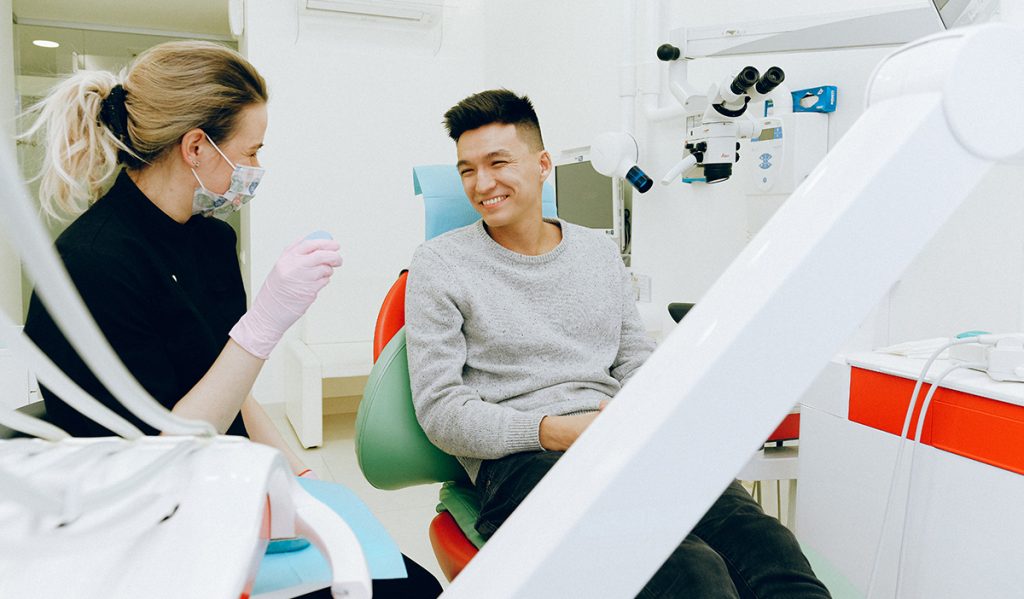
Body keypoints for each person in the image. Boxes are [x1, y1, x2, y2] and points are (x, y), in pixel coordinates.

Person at [21, 41, 441, 597]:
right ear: (196, 146)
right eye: (251, 151)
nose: (257, 169)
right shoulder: (93, 262)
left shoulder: (211, 238)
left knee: (413, 582)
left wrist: (300, 475)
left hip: (228, 483)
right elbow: (159, 459)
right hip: (149, 522)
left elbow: (231, 385)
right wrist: (264, 323)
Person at [405, 88, 831, 598]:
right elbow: (441, 410)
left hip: (622, 438)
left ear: (542, 165)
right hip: (524, 460)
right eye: (467, 170)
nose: (483, 183)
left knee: (769, 549)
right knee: (688, 572)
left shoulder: (597, 252)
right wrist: (557, 431)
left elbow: (633, 360)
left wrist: (657, 415)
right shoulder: (440, 264)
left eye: (498, 163)